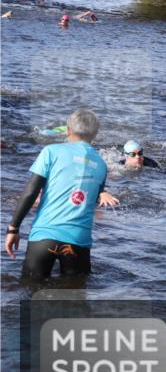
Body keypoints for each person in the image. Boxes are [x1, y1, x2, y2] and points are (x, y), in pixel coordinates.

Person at [5, 109, 119, 280]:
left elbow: (31, 191)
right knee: (75, 299)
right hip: (78, 241)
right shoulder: (102, 165)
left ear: (68, 130)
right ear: (95, 134)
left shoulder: (51, 151)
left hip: (44, 237)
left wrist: (13, 228)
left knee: (30, 293)